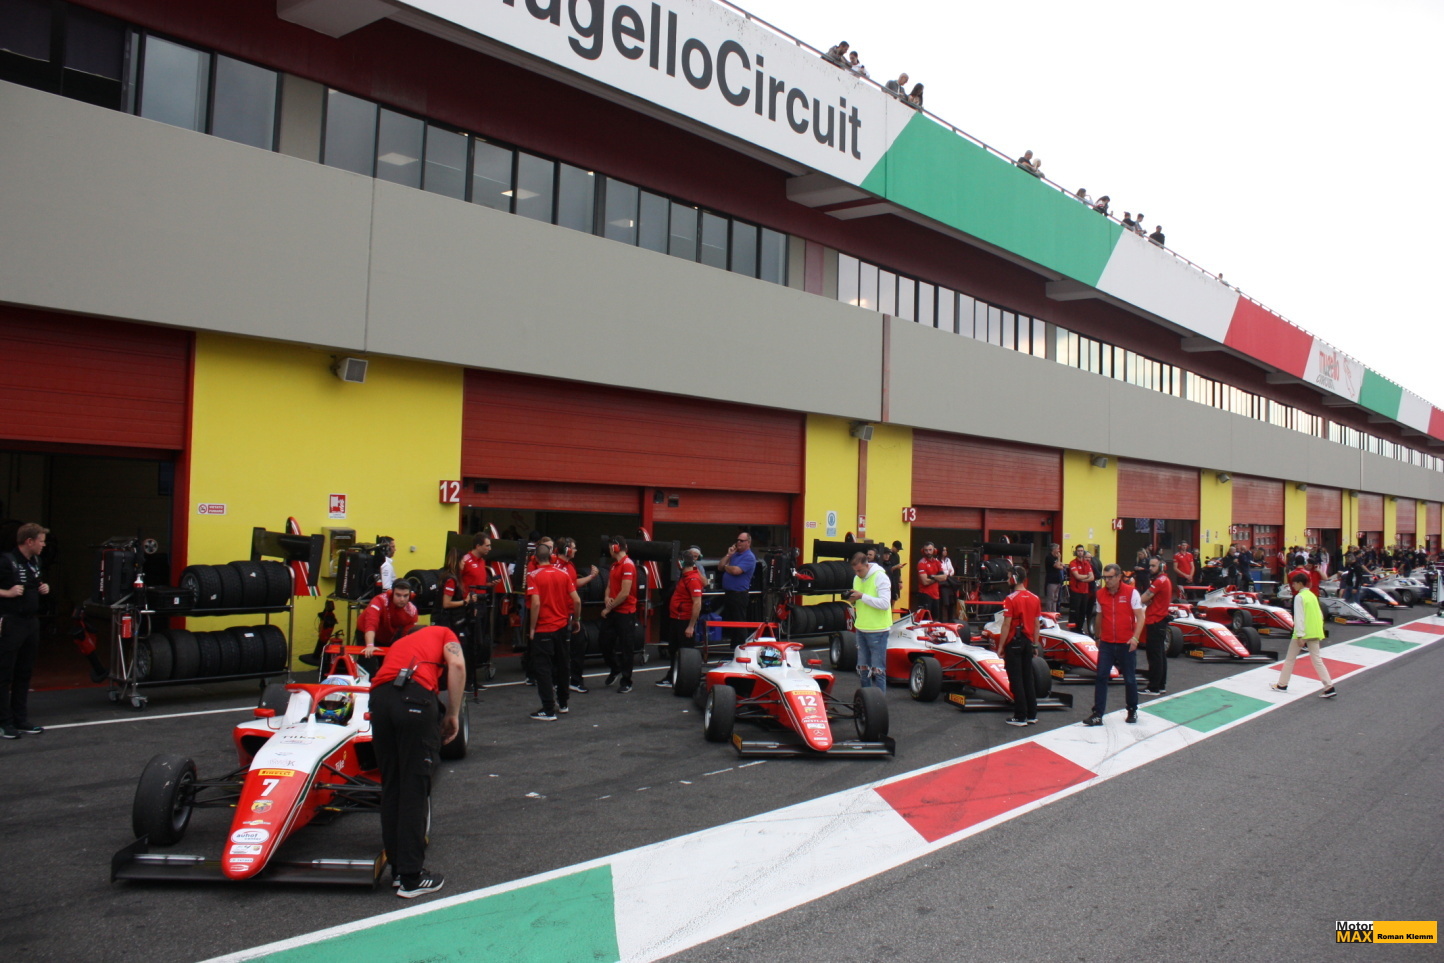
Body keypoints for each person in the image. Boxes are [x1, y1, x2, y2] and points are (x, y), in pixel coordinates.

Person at [369, 624, 466, 897]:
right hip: (414, 697)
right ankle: (412, 877)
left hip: (379, 699)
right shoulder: (444, 632)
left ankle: (398, 871)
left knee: (392, 786)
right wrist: (453, 714)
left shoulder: (400, 644)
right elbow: (457, 665)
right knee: (414, 786)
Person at [0, 523, 50, 739]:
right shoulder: (6, 561)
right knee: (4, 672)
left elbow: (34, 583)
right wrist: (7, 593)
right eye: (41, 541)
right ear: (29, 541)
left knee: (24, 671)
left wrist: (44, 588)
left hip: (31, 622)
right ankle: (4, 721)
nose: (43, 545)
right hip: (11, 622)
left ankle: (20, 718)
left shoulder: (35, 562)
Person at [526, 542, 580, 720]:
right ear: (551, 557)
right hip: (562, 627)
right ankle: (563, 703)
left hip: (544, 628)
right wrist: (576, 620)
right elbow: (577, 600)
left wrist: (532, 628)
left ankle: (548, 708)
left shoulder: (533, 575)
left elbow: (535, 603)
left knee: (543, 668)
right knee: (563, 665)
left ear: (535, 558)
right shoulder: (563, 574)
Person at [1083, 564, 1143, 726]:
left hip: (1126, 642)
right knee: (1101, 676)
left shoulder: (1131, 592)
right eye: (1105, 577)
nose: (1107, 581)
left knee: (1129, 678)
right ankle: (1097, 714)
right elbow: (1099, 616)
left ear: (1119, 577)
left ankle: (1132, 710)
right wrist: (1097, 636)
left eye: (1110, 577)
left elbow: (1140, 617)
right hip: (1107, 643)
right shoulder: (1100, 594)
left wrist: (1135, 638)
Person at [1270, 573, 1337, 698]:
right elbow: (1320, 614)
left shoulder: (1299, 597)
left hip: (1302, 633)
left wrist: (1300, 635)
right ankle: (1329, 687)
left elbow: (1299, 617)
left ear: (1300, 583)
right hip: (1315, 631)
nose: (1293, 586)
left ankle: (1282, 685)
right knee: (1317, 660)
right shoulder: (1312, 595)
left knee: (1290, 659)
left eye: (1294, 583)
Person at [841, 552, 891, 695]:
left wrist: (862, 596)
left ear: (867, 565)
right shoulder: (857, 578)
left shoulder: (881, 577)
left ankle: (879, 702)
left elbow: (885, 604)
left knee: (878, 669)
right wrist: (853, 600)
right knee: (863, 668)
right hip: (861, 627)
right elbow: (860, 601)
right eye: (855, 571)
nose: (857, 574)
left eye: (860, 570)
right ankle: (866, 699)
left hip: (878, 629)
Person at [997, 565, 1041, 727]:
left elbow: (1006, 625)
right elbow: (1036, 625)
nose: (1007, 579)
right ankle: (1031, 714)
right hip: (1028, 642)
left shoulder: (1011, 599)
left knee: (1016, 680)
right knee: (1028, 678)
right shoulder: (1035, 598)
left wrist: (1001, 646)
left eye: (1009, 576)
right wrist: (1035, 644)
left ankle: (1020, 716)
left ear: (1014, 578)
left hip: (1014, 642)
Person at [554, 536, 598, 693]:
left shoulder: (570, 566)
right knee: (561, 649)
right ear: (567, 550)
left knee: (577, 646)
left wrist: (591, 577)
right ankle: (561, 681)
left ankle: (573, 680)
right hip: (562, 614)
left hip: (570, 613)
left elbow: (573, 584)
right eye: (573, 547)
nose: (576, 550)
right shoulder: (556, 567)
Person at [660, 546, 705, 687]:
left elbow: (697, 603)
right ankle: (672, 677)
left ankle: (687, 680)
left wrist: (691, 626)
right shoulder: (686, 576)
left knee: (686, 652)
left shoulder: (692, 579)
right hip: (676, 618)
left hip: (684, 620)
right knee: (674, 649)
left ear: (681, 563)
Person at [599, 535, 639, 692]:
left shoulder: (628, 565)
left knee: (626, 647)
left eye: (610, 547)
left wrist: (608, 608)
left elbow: (624, 593)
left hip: (625, 612)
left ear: (614, 548)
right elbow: (609, 585)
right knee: (604, 642)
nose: (609, 550)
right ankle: (615, 668)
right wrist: (606, 598)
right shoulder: (614, 565)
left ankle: (626, 681)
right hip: (614, 609)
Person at [359, 579, 420, 670]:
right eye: (398, 595)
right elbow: (371, 623)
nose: (402, 599)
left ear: (410, 595)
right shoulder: (379, 601)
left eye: (405, 596)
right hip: (366, 632)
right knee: (368, 665)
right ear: (392, 593)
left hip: (388, 636)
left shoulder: (412, 611)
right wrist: (370, 645)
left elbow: (407, 635)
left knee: (387, 665)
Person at [1138, 556, 1174, 695]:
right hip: (1159, 620)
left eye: (1153, 566)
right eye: (1150, 566)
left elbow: (1143, 598)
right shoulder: (1164, 580)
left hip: (1155, 621)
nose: (1150, 568)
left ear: (1161, 566)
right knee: (1160, 655)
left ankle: (1153, 687)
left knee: (1154, 656)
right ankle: (1160, 685)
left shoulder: (1159, 581)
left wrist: (1145, 599)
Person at [718, 532, 757, 648]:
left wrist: (726, 567)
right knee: (731, 621)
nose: (738, 542)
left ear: (748, 543)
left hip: (739, 594)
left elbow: (736, 571)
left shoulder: (749, 557)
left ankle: (741, 646)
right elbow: (720, 566)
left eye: (741, 540)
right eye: (737, 540)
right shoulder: (734, 555)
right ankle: (733, 646)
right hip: (729, 593)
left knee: (739, 621)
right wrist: (728, 555)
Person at [1066, 545, 1094, 634]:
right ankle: (1072, 629)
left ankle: (1080, 628)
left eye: (1081, 551)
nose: (1080, 552)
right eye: (1078, 551)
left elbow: (1092, 577)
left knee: (1083, 611)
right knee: (1074, 611)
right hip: (1075, 591)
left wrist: (1083, 579)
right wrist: (1087, 576)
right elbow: (1077, 576)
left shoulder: (1087, 563)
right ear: (1076, 552)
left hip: (1085, 591)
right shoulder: (1073, 563)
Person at [915, 542, 944, 621]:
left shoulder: (937, 562)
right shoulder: (921, 563)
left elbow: (944, 577)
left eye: (930, 550)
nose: (928, 552)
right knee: (925, 619)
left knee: (935, 619)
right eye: (926, 550)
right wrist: (937, 578)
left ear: (934, 550)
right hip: (925, 594)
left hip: (936, 595)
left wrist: (932, 577)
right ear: (923, 551)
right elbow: (925, 582)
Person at [1043, 543, 1065, 613]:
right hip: (1051, 581)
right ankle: (1048, 612)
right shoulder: (1049, 557)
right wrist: (1059, 558)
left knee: (1055, 598)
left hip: (1057, 580)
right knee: (1050, 598)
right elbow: (1057, 566)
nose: (1059, 550)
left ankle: (1054, 612)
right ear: (1054, 549)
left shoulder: (1055, 558)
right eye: (1058, 549)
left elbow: (1062, 566)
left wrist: (1059, 564)